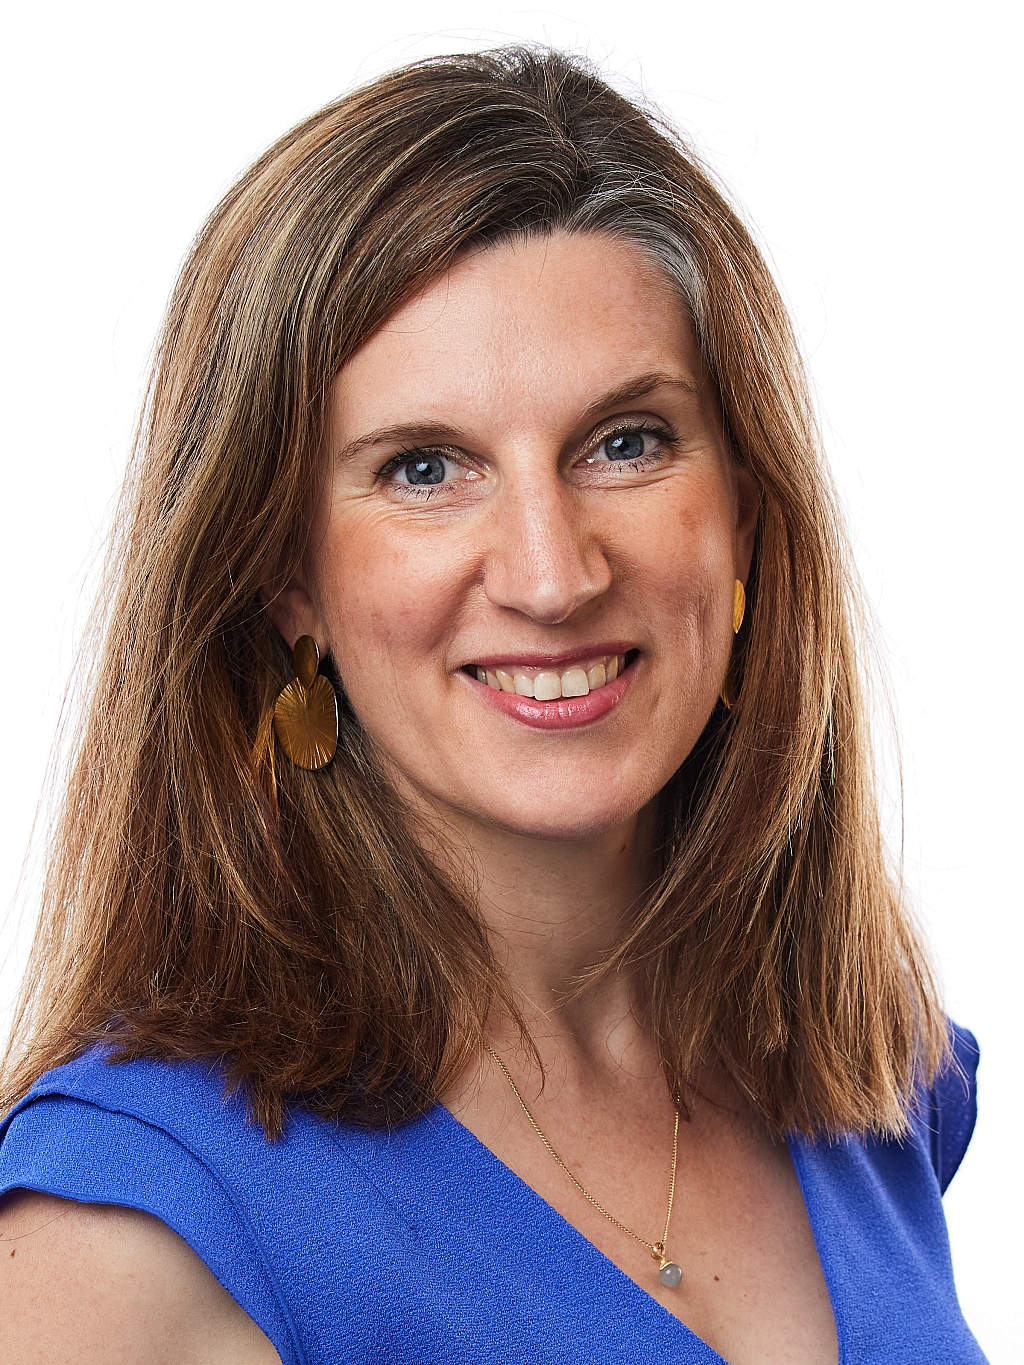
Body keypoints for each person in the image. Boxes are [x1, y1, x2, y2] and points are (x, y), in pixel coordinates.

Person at [0, 46, 984, 1365]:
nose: (550, 572)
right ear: (285, 576)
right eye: (425, 467)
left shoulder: (867, 1075)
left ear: (744, 511)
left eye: (626, 441)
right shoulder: (129, 1231)